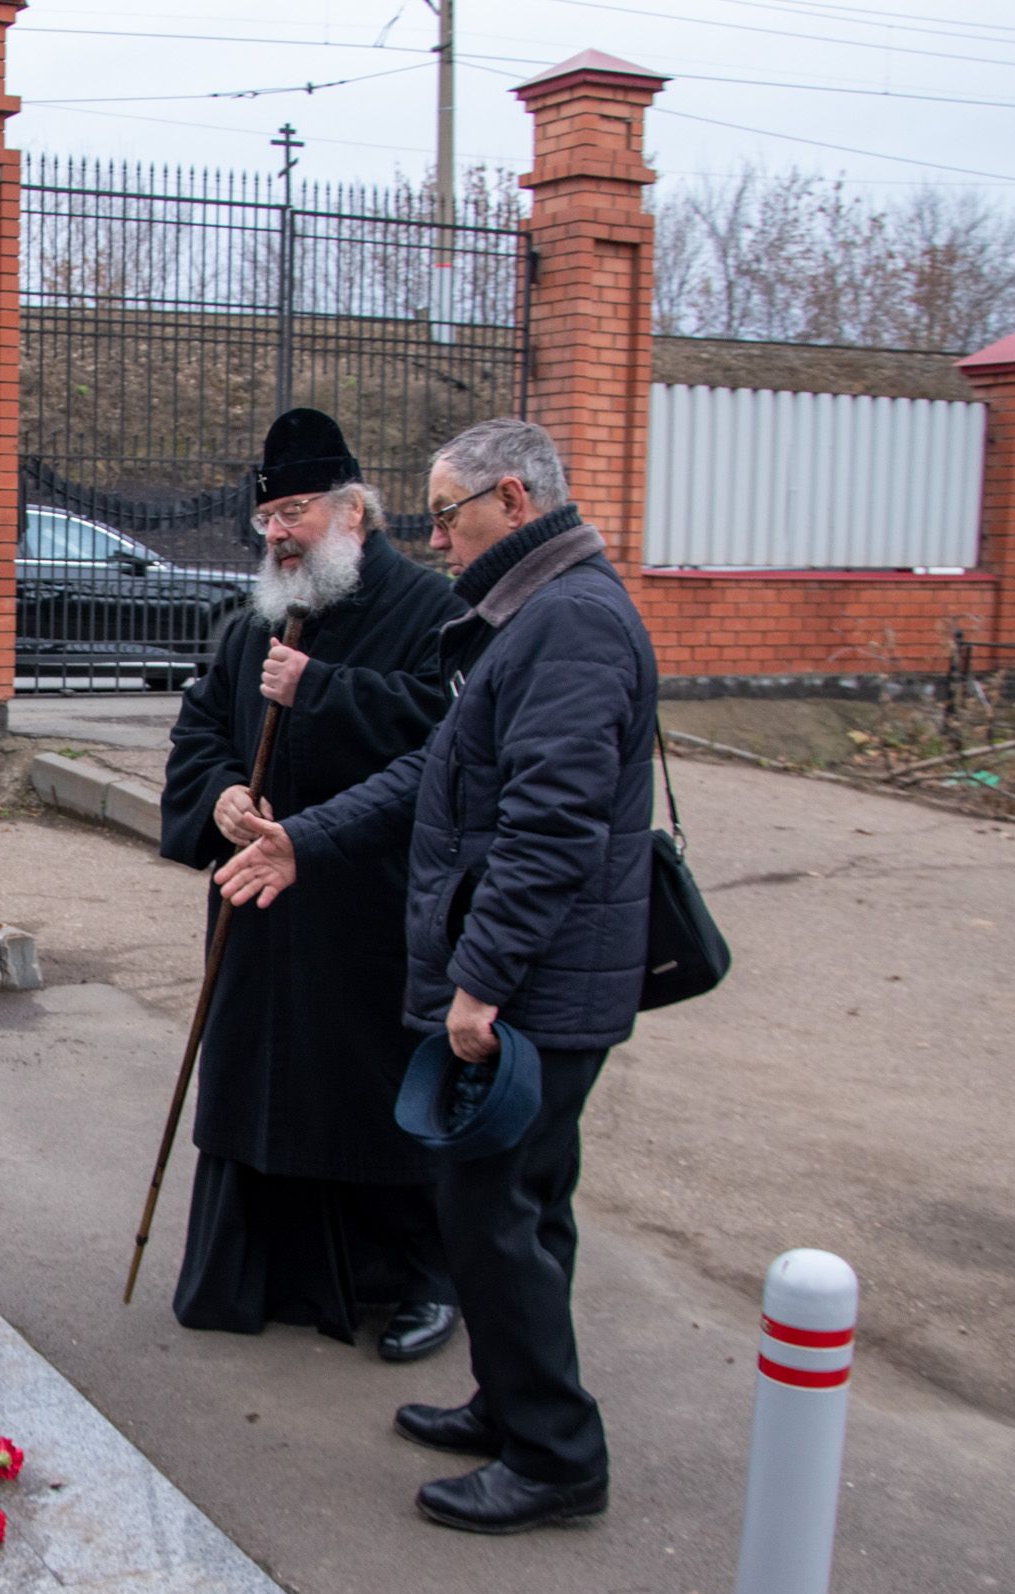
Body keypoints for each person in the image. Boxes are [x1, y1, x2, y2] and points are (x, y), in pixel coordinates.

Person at [214, 417, 660, 1536]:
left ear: (512, 501)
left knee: (488, 1206)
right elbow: (436, 768)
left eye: (448, 514)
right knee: (521, 1203)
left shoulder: (571, 623)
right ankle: (515, 1406)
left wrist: (482, 984)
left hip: (539, 989)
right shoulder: (526, 617)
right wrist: (304, 840)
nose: (437, 537)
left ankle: (556, 1455)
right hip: (537, 982)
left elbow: (548, 830)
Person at [160, 407, 467, 1364]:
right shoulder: (257, 615)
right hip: (258, 905)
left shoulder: (430, 611)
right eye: (268, 519)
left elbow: (445, 744)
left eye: (296, 511)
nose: (280, 533)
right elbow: (202, 727)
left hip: (363, 910)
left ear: (354, 513)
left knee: (372, 1092)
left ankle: (423, 1280)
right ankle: (261, 1274)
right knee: (261, 1082)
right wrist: (219, 798)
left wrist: (320, 691)